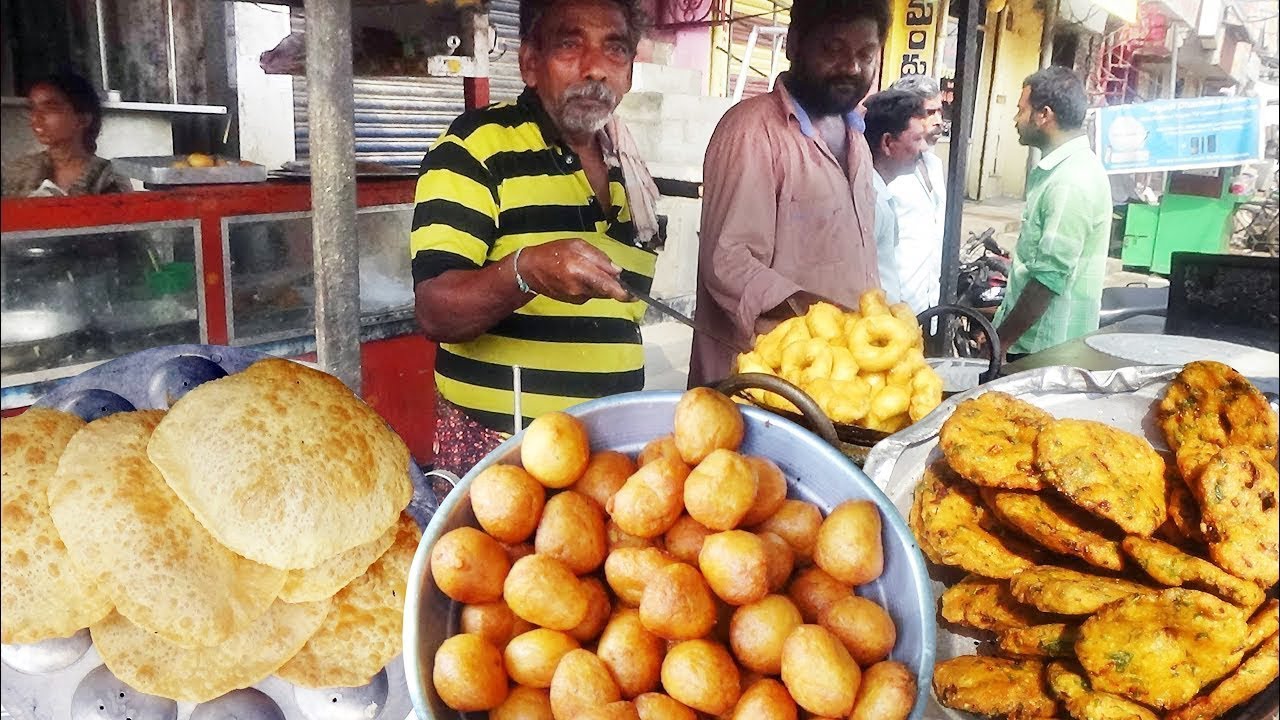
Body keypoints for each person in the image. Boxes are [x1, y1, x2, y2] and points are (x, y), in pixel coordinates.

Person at [410, 0, 661, 476]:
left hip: (607, 455)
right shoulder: (475, 147)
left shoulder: (626, 164)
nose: (594, 69)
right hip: (505, 456)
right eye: (569, 45)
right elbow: (435, 309)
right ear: (530, 63)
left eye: (615, 50)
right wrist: (523, 272)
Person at [689, 0, 889, 387]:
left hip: (837, 382)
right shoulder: (751, 131)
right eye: (833, 49)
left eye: (865, 54)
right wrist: (820, 315)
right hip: (760, 388)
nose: (851, 67)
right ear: (794, 45)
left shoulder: (857, 138)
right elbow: (728, 263)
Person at [993, 66, 1110, 359]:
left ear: (1044, 115)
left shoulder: (1070, 180)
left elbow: (1048, 278)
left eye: (1021, 110)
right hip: (1038, 344)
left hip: (1044, 349)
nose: (1015, 120)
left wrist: (1001, 341)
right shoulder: (1059, 171)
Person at [2, 70, 132, 197]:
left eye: (50, 108)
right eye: (32, 109)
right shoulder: (18, 173)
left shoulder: (108, 177)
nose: (36, 118)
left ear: (83, 119)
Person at [863, 89, 930, 307]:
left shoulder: (880, 193)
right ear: (887, 143)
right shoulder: (869, 200)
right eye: (917, 138)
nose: (924, 148)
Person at [886, 74, 946, 314]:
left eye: (940, 111)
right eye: (929, 113)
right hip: (893, 305)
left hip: (929, 301)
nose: (939, 120)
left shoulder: (934, 165)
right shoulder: (886, 172)